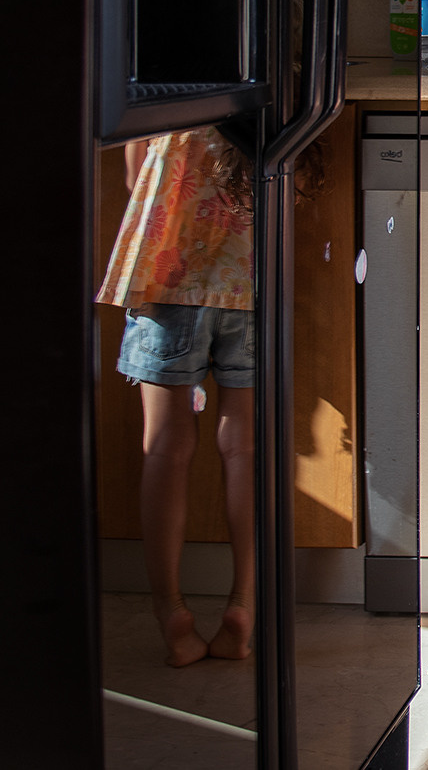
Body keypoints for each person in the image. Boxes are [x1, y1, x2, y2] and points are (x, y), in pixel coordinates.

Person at [98, 127, 260, 668]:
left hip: (169, 277)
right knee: (245, 449)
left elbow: (135, 178)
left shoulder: (166, 95)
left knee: (165, 449)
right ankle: (243, 603)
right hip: (251, 279)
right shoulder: (263, 90)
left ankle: (171, 609)